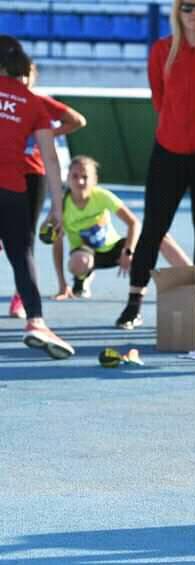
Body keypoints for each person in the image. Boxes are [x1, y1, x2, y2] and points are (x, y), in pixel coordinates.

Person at [115, 0, 195, 329]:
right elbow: (159, 98)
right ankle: (134, 302)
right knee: (154, 226)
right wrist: (179, 127)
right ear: (177, 11)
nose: (194, 13)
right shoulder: (161, 49)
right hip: (168, 149)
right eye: (187, 7)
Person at [0, 35, 74, 359]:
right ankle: (36, 321)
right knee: (21, 255)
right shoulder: (33, 103)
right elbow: (52, 159)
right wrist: (57, 208)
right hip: (12, 190)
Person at [48, 156, 191, 311]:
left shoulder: (102, 196)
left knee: (160, 237)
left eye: (85, 177)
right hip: (85, 253)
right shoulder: (61, 206)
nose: (80, 181)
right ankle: (82, 278)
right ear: (68, 178)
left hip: (115, 249)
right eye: (75, 176)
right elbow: (57, 244)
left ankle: (193, 278)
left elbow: (133, 223)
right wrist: (62, 285)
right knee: (79, 262)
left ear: (95, 180)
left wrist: (128, 250)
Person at [5, 61, 87, 318]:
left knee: (24, 240)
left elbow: (78, 120)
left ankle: (22, 297)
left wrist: (48, 134)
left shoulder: (38, 102)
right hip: (5, 173)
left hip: (32, 175)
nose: (22, 79)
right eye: (18, 74)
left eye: (27, 75)